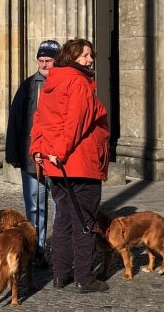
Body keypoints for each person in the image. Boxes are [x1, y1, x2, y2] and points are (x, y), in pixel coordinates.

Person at [30, 38, 111, 294]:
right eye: (86, 55)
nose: (90, 60)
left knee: (63, 219)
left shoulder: (53, 81)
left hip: (58, 165)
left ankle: (60, 275)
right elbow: (75, 123)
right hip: (78, 163)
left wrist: (39, 150)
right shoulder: (78, 82)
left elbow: (41, 120)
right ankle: (84, 279)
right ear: (73, 57)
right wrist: (59, 152)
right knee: (84, 222)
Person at [5, 39, 61, 267]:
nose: (44, 65)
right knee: (35, 207)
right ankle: (36, 251)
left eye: (48, 61)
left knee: (60, 207)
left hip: (58, 159)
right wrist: (14, 154)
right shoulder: (29, 86)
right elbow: (16, 122)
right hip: (32, 159)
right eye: (41, 60)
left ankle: (60, 250)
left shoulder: (64, 84)